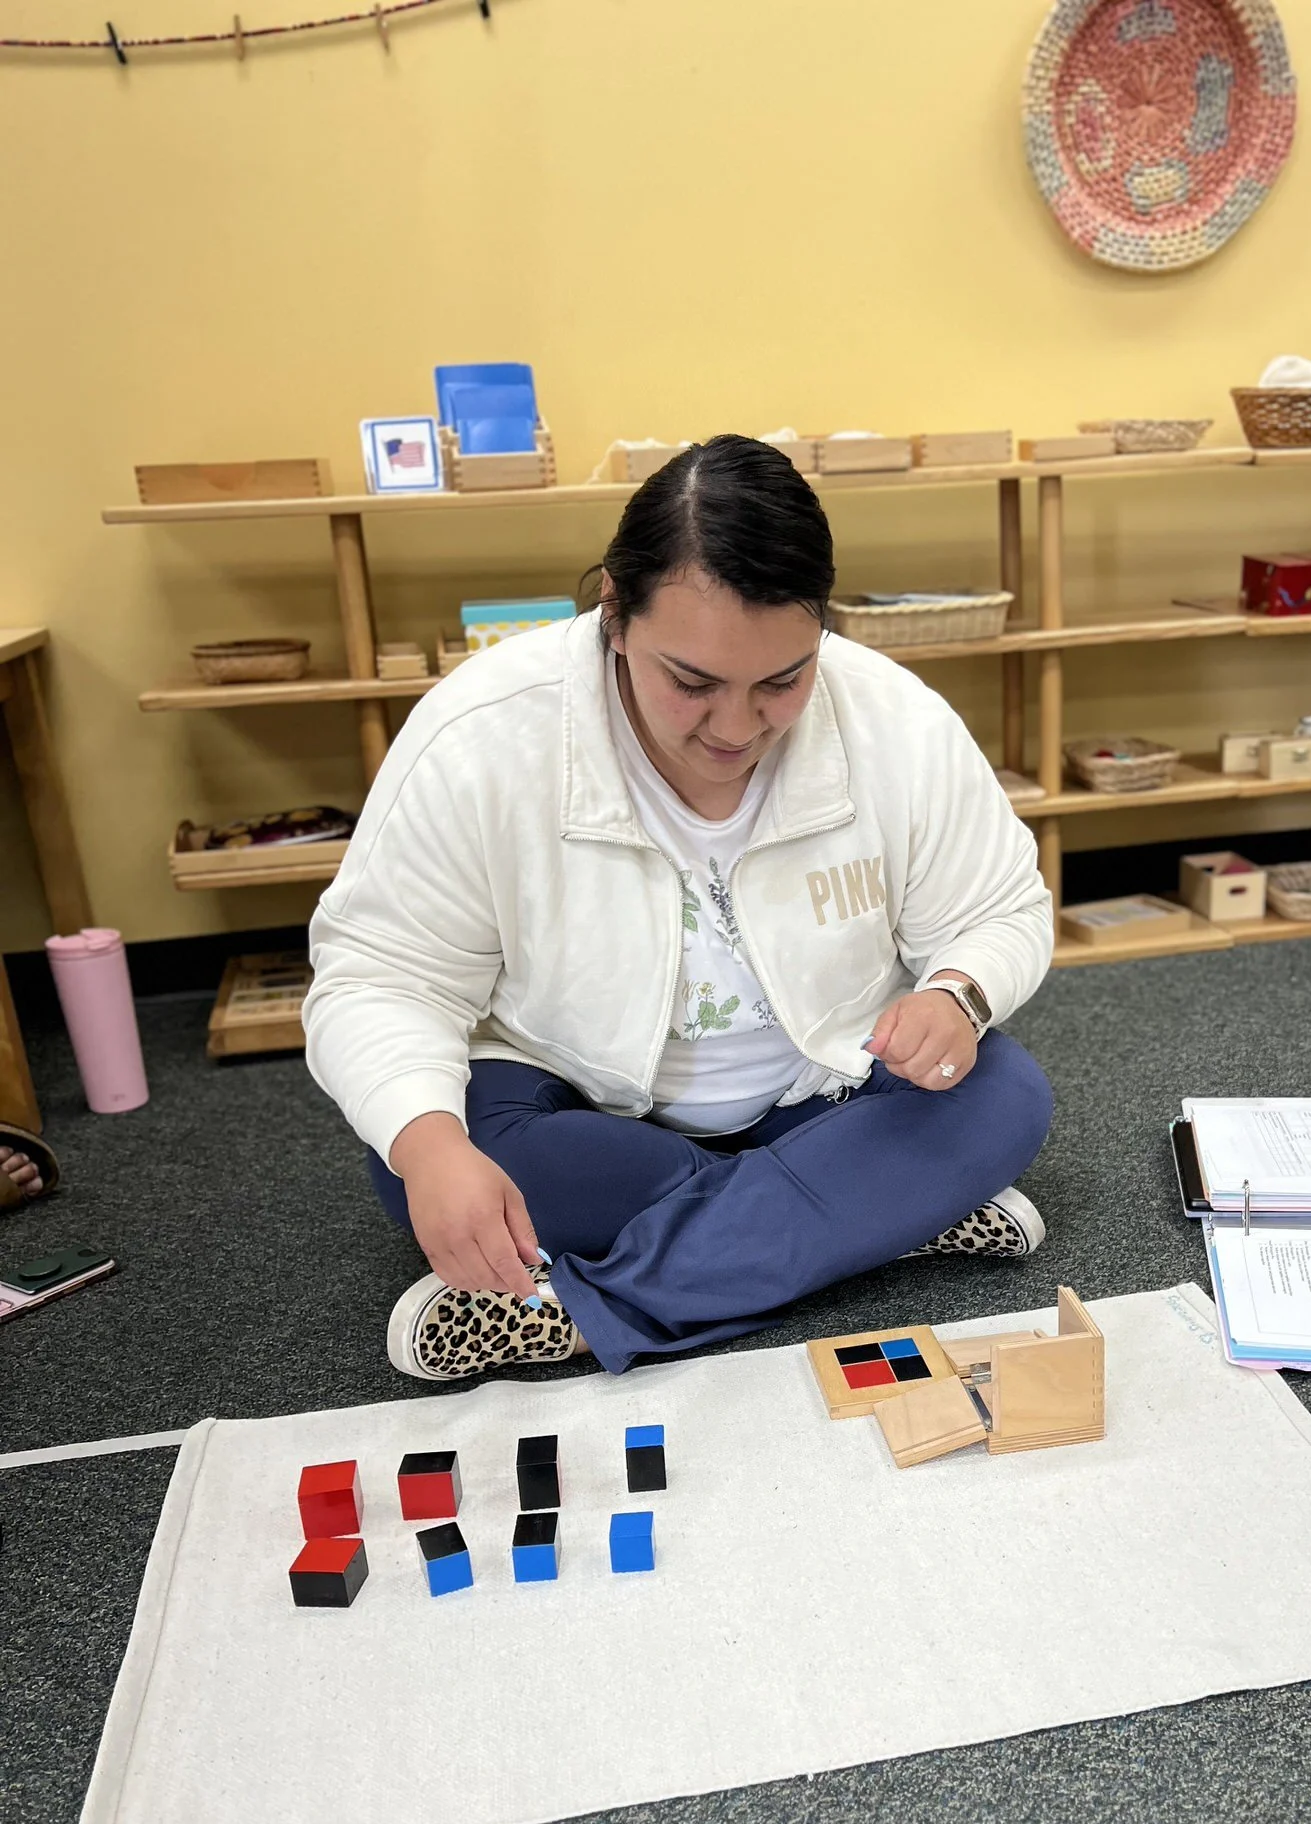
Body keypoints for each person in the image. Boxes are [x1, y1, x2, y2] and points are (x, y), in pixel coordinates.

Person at [305, 434, 1055, 1382]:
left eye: (782, 681)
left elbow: (1003, 910)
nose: (735, 728)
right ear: (614, 612)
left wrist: (958, 993)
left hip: (817, 1094)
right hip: (572, 1103)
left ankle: (586, 1307)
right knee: (413, 1147)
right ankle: (867, 1216)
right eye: (691, 682)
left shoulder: (894, 717)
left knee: (1004, 1097)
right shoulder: (480, 734)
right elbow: (377, 979)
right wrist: (428, 1145)